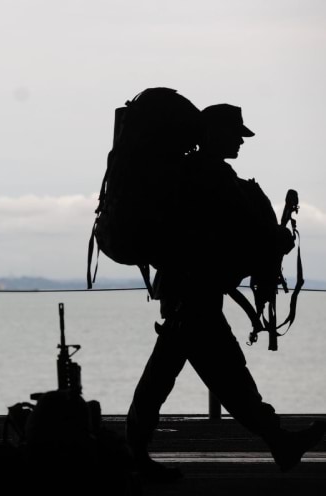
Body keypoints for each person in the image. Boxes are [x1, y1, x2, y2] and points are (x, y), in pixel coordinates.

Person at [125, 103, 326, 481]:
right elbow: (247, 230)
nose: (240, 141)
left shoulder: (193, 173)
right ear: (214, 134)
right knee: (223, 377)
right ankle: (278, 441)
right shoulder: (212, 175)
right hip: (194, 294)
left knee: (186, 376)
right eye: (235, 134)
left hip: (188, 292)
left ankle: (134, 452)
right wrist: (280, 237)